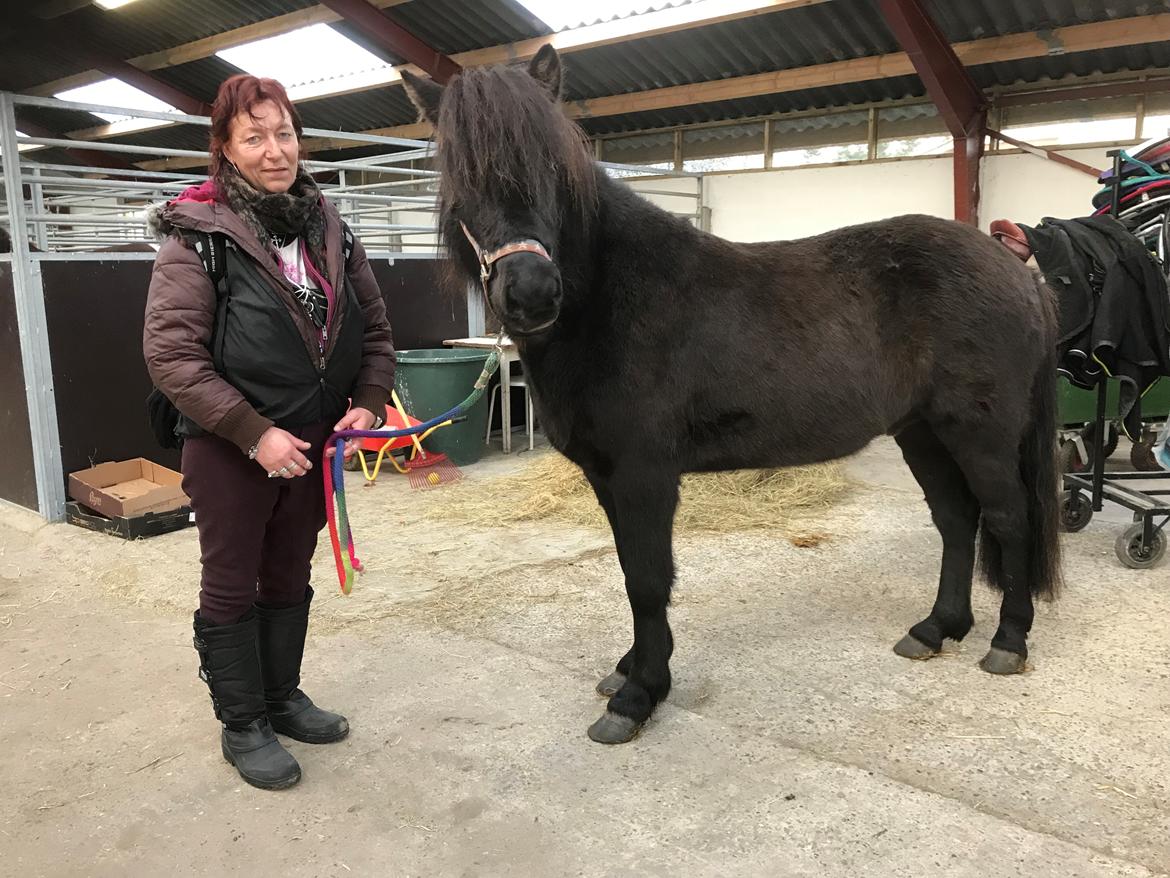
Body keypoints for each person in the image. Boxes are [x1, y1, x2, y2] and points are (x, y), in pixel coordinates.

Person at [144, 75, 395, 790]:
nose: (274, 149)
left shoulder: (331, 229)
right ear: (224, 148)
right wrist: (256, 434)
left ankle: (283, 697)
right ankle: (243, 721)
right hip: (230, 442)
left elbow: (374, 329)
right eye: (253, 136)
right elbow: (171, 357)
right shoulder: (199, 235)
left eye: (283, 132)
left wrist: (370, 399)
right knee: (230, 580)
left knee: (289, 570)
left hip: (316, 438)